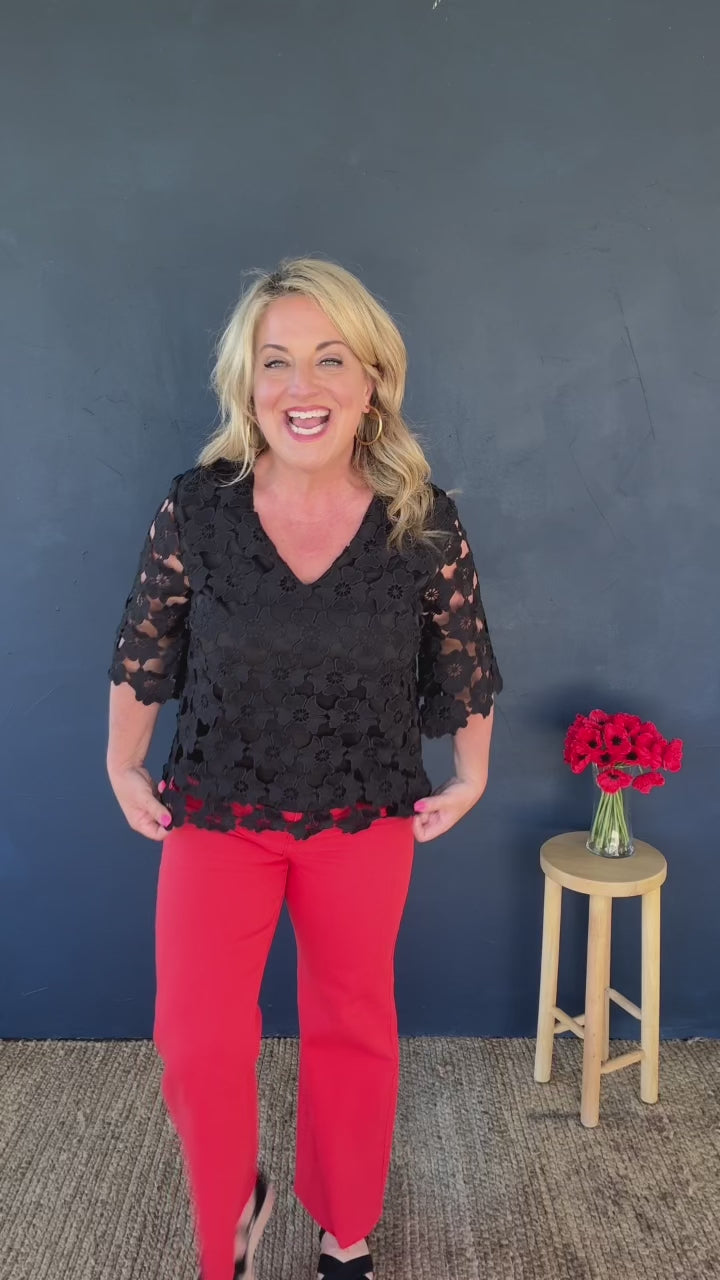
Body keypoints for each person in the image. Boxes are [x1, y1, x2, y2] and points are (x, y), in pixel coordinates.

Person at [106, 257, 503, 1280]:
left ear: (372, 380)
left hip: (364, 812)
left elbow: (463, 653)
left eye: (330, 358)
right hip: (215, 809)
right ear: (247, 384)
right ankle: (232, 1209)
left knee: (352, 1028)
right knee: (195, 1037)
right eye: (275, 360)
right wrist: (123, 763)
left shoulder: (422, 519)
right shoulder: (197, 509)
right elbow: (148, 641)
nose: (301, 385)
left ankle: (345, 1225)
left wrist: (470, 774)